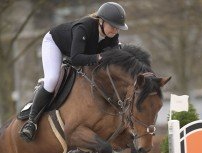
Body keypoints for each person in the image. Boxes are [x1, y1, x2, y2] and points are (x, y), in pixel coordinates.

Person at [20, 2, 128, 142]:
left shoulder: (113, 36)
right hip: (55, 44)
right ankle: (31, 122)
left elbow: (110, 58)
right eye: (113, 26)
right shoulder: (83, 27)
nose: (115, 31)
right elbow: (76, 58)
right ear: (101, 21)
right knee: (52, 79)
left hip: (78, 51)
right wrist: (99, 57)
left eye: (118, 28)